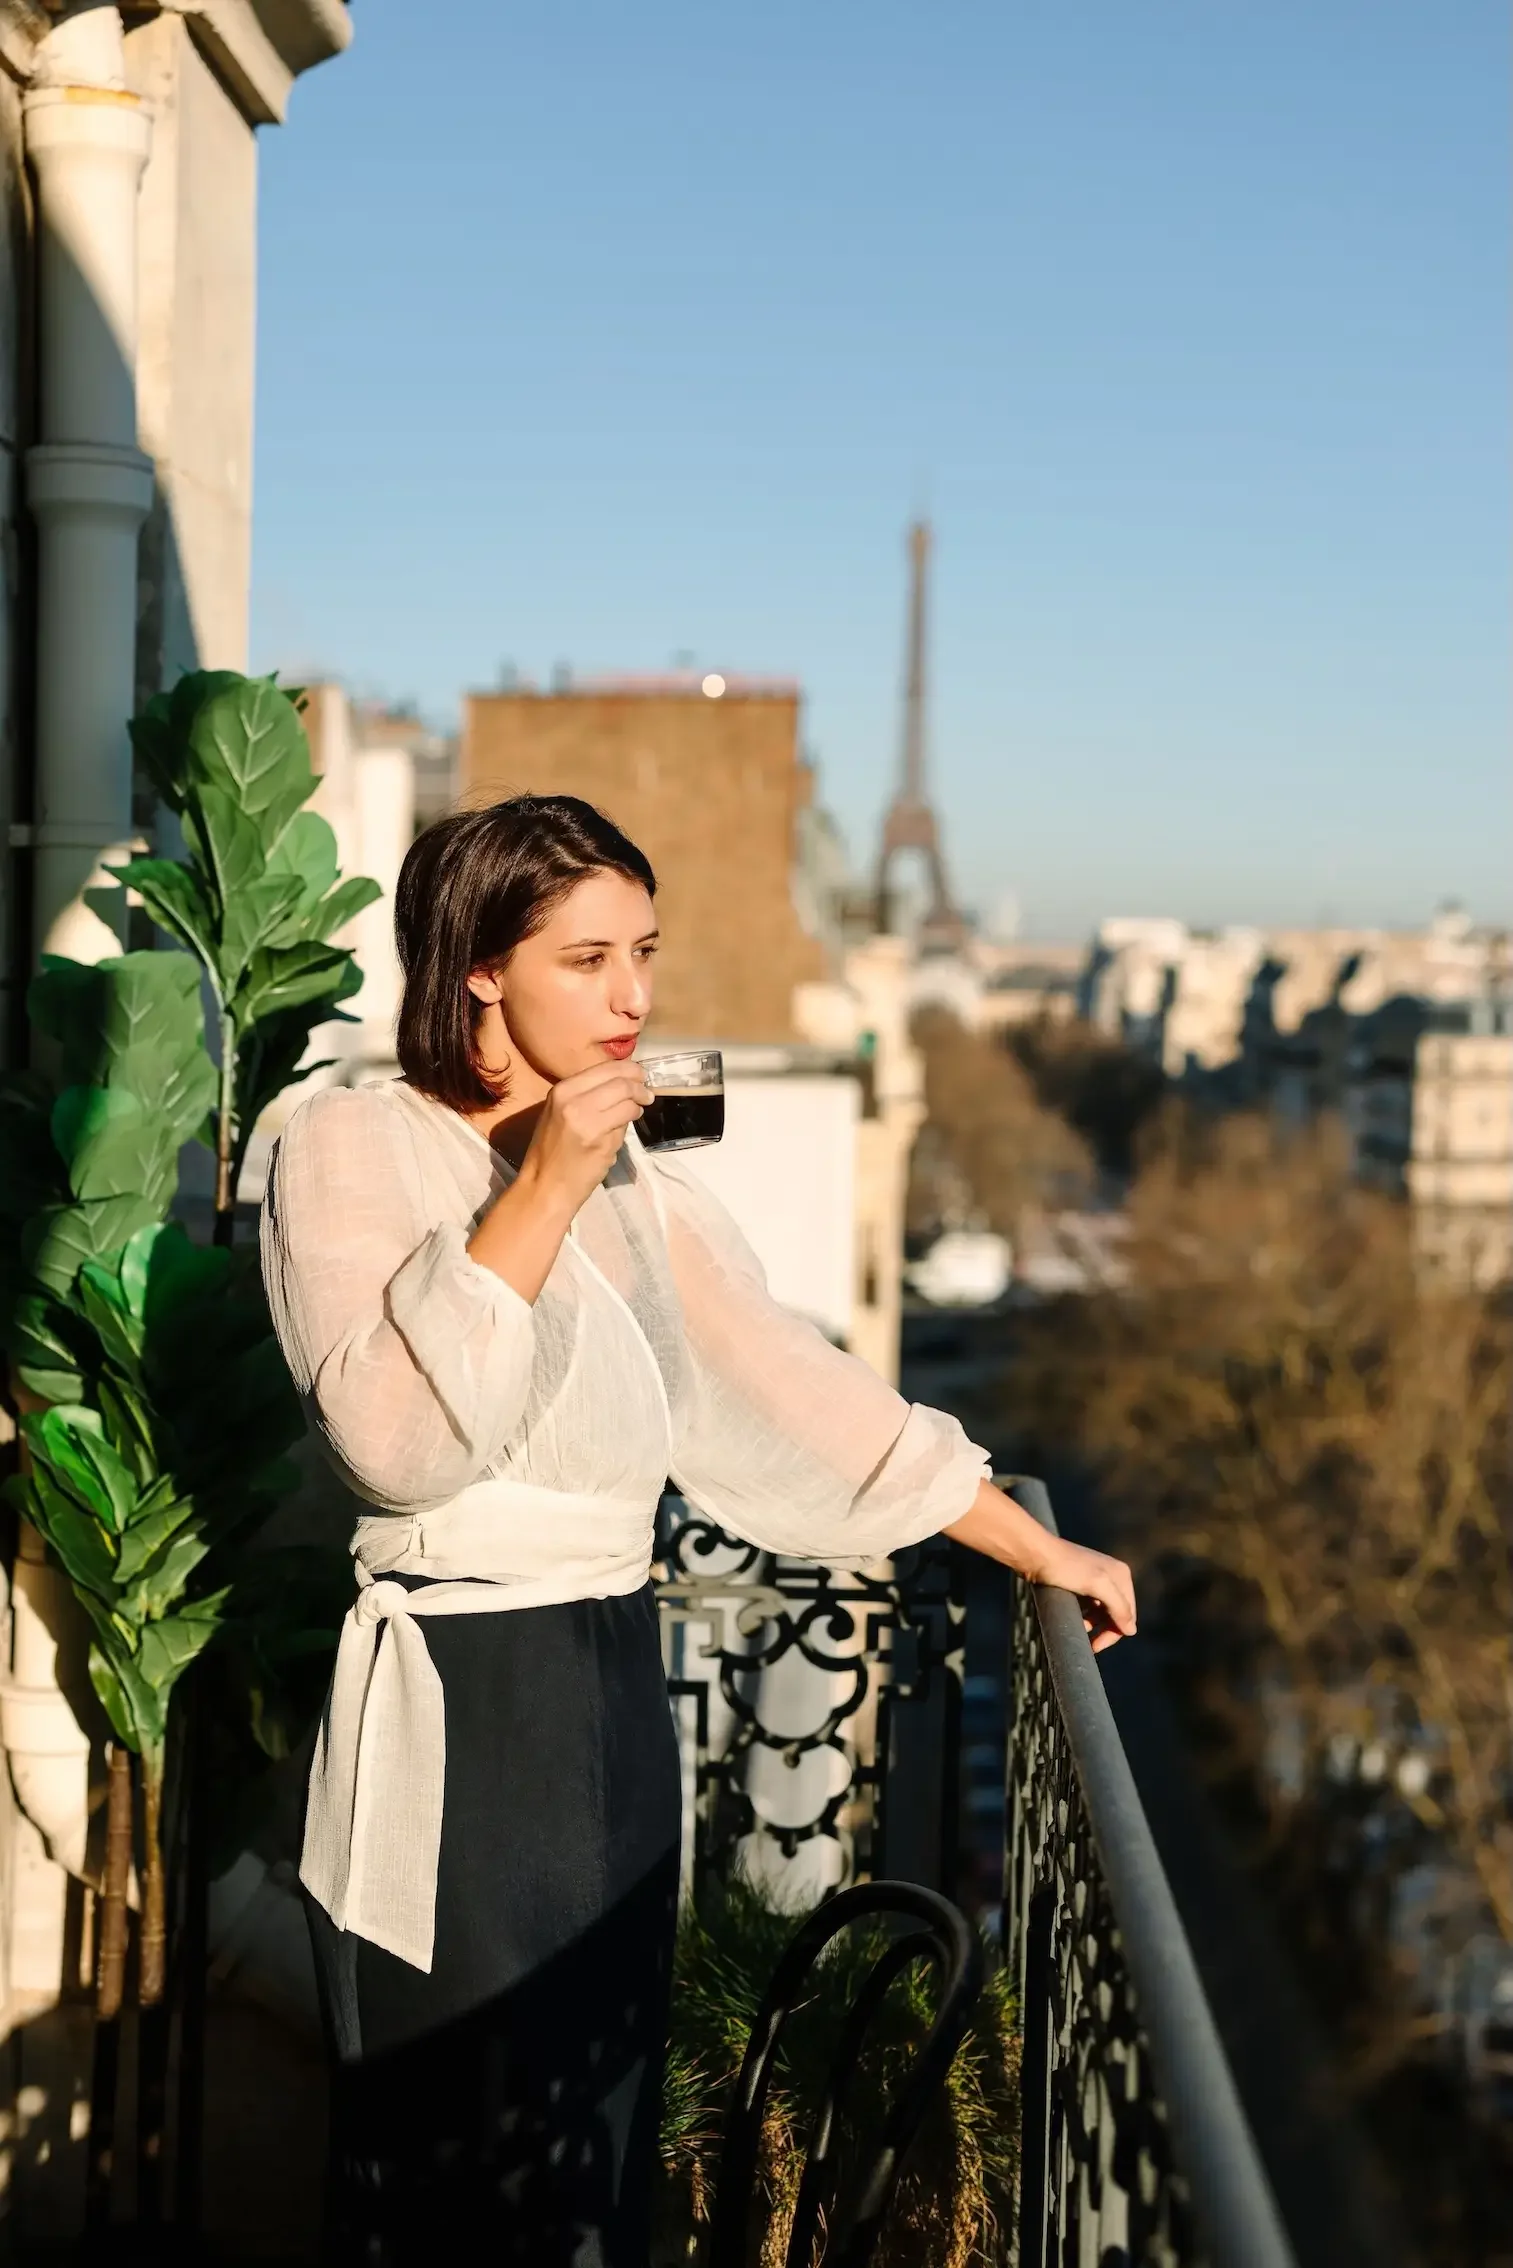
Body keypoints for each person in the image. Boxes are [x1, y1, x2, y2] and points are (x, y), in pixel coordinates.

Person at [260, 794, 1135, 2267]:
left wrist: (1029, 1544)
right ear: (479, 967)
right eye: (588, 959)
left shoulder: (638, 1189)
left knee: (594, 2139)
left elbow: (800, 1388)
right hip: (461, 1711)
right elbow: (399, 1449)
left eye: (645, 954)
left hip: (609, 1687)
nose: (635, 998)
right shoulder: (349, 1146)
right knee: (463, 2158)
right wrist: (542, 1183)